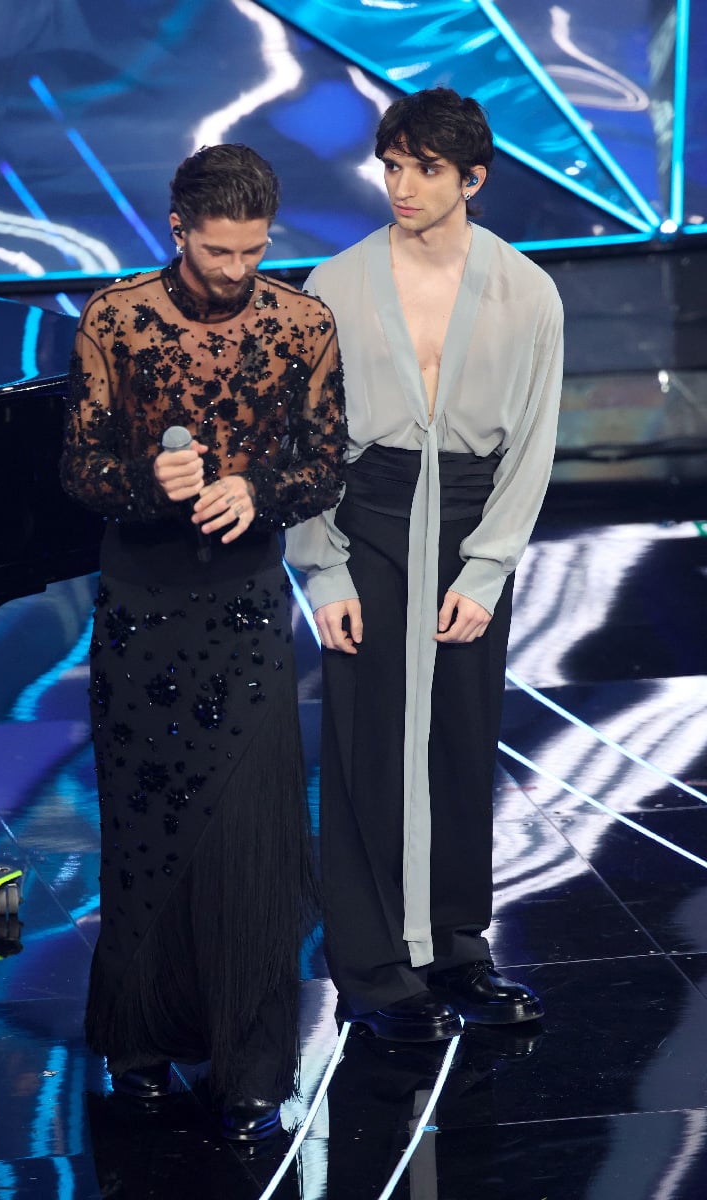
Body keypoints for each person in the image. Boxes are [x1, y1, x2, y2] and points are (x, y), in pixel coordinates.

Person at [60, 143, 346, 1140]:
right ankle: (141, 1043)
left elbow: (326, 463)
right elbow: (80, 470)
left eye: (253, 250)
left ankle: (251, 1062)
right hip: (141, 608)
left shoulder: (301, 323)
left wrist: (256, 490)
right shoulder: (117, 319)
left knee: (251, 834)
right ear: (177, 230)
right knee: (144, 833)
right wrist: (148, 481)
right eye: (218, 251)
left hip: (244, 606)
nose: (236, 270)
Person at [285, 88, 563, 1040]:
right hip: (369, 513)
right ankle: (371, 966)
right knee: (366, 737)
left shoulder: (528, 291)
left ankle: (456, 948)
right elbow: (310, 439)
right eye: (393, 166)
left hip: (472, 519)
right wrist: (322, 567)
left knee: (462, 735)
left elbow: (534, 445)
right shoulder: (335, 283)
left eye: (425, 169)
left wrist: (487, 571)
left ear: (471, 179)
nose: (401, 186)